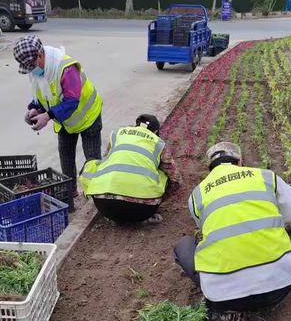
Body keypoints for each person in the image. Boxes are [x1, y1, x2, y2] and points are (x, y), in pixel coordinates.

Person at [174, 142, 291, 321]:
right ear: (240, 161)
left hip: (224, 296)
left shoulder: (197, 195)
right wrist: (287, 241)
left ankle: (224, 310)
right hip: (280, 287)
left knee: (184, 245)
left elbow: (205, 231)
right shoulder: (266, 177)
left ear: (209, 169)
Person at [13, 35, 103, 197]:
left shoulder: (66, 68)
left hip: (88, 116)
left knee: (92, 160)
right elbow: (43, 95)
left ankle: (95, 195)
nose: (31, 70)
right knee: (66, 154)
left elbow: (71, 101)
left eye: (31, 65)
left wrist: (47, 116)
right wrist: (35, 109)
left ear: (40, 55)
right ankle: (70, 192)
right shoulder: (39, 71)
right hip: (65, 121)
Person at [79, 114, 181, 223]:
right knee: (164, 173)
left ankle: (103, 195)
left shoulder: (118, 133)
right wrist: (160, 198)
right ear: (155, 132)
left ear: (136, 125)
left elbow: (107, 160)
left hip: (106, 207)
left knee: (92, 164)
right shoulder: (158, 142)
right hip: (143, 211)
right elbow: (176, 179)